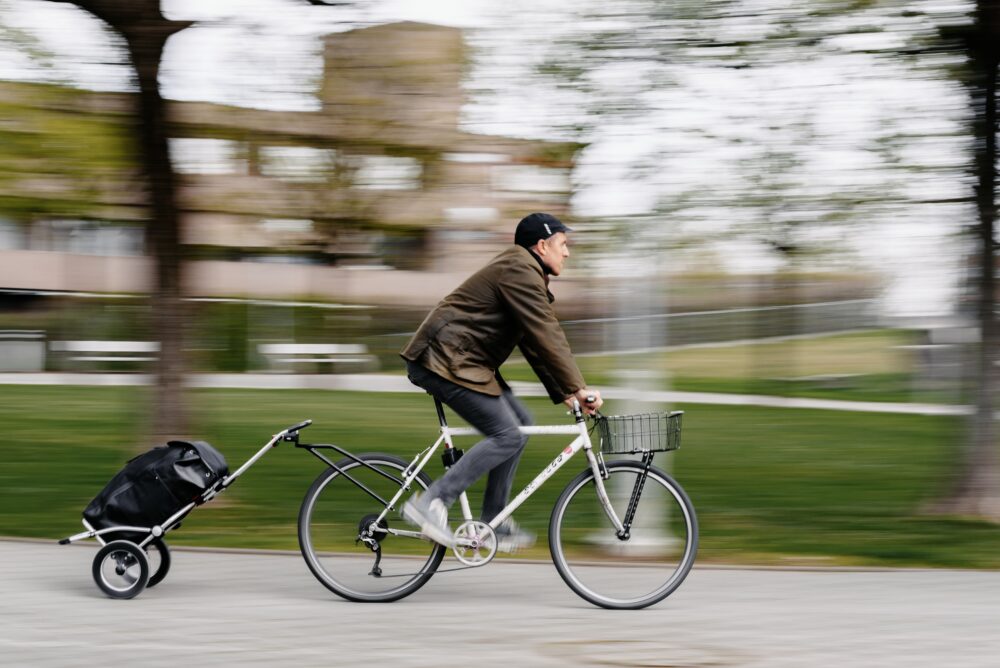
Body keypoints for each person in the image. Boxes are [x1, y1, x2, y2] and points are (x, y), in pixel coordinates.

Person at [400, 212, 603, 551]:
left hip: (464, 361)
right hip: (443, 359)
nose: (567, 253)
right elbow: (546, 333)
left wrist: (568, 392)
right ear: (542, 245)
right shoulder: (519, 269)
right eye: (563, 244)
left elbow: (534, 343)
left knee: (520, 425)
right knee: (506, 434)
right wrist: (579, 386)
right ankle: (432, 501)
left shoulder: (524, 272)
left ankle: (493, 520)